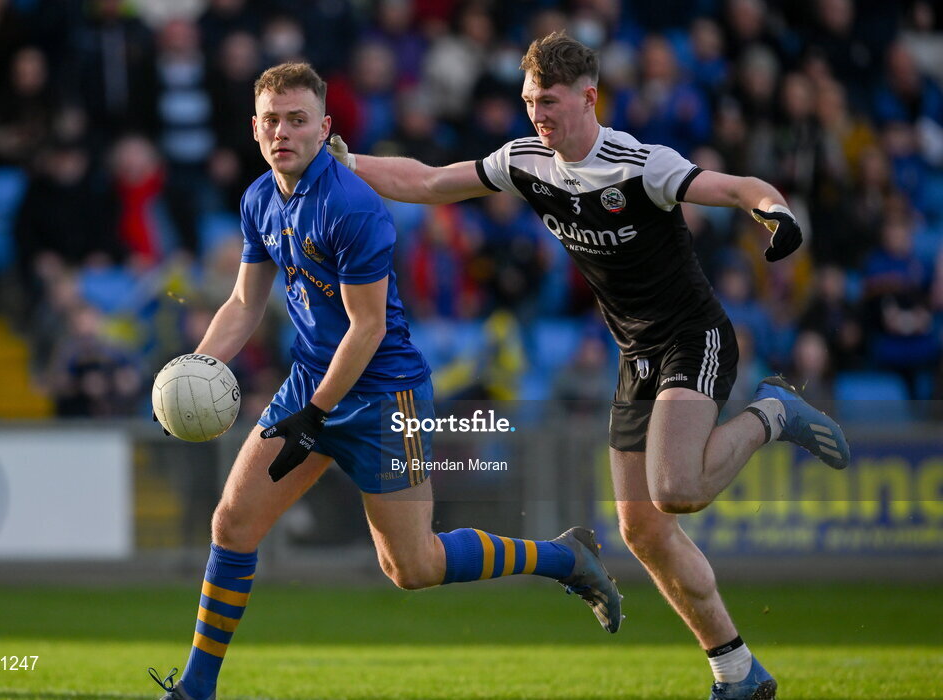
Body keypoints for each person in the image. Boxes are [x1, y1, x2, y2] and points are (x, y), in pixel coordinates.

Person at [328, 31, 852, 700]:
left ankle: (773, 413)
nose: (536, 115)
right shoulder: (526, 160)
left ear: (587, 97)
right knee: (640, 529)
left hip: (695, 337)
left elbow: (736, 186)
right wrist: (341, 159)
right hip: (636, 354)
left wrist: (775, 213)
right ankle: (737, 672)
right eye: (528, 102)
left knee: (676, 491)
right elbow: (428, 182)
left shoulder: (640, 164)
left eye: (547, 102)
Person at [149, 61, 622, 700]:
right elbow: (242, 304)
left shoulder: (352, 205)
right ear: (254, 129)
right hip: (313, 385)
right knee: (232, 524)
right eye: (271, 121)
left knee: (413, 567)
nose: (283, 132)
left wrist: (313, 414)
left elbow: (366, 328)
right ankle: (195, 690)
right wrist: (195, 369)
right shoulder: (259, 197)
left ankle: (566, 558)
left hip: (382, 395)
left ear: (325, 127)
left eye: (297, 120)